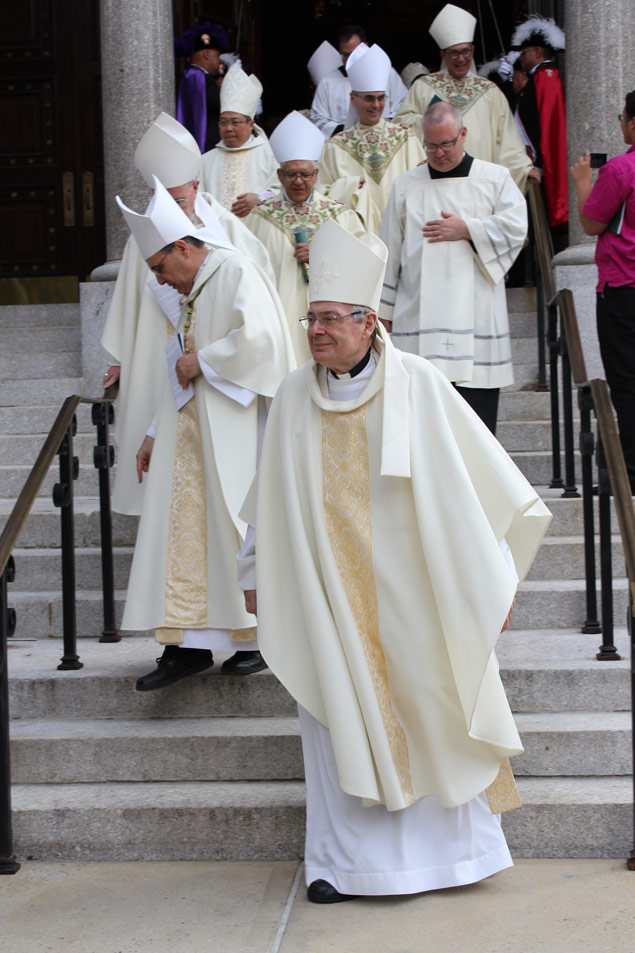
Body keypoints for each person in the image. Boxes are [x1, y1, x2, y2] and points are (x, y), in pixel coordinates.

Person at [238, 218, 551, 903]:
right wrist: (253, 573)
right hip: (327, 599)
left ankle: (458, 859)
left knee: (431, 707)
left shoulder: (419, 383)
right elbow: (269, 492)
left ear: (365, 319)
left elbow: (472, 491)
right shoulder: (292, 394)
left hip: (416, 599)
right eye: (309, 318)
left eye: (328, 319)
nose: (315, 331)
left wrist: (492, 580)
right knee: (336, 722)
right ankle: (344, 866)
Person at [115, 178, 295, 687]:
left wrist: (206, 361)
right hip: (188, 431)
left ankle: (253, 638)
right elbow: (178, 365)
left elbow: (265, 342)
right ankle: (188, 645)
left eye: (160, 268)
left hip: (234, 430)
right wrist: (153, 430)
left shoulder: (235, 268)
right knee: (185, 535)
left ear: (182, 247)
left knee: (232, 531)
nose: (161, 280)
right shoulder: (193, 290)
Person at [101, 112, 274, 518]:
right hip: (156, 354)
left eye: (178, 200)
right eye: (163, 201)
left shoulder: (229, 232)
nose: (171, 211)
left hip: (212, 361)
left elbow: (258, 297)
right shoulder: (142, 237)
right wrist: (121, 358)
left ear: (197, 186)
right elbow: (128, 304)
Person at [379, 102, 527, 434]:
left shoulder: (495, 179)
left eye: (446, 143)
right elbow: (389, 248)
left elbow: (517, 228)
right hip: (417, 316)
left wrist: (468, 229)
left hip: (476, 318)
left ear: (463, 134)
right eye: (431, 145)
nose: (439, 152)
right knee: (422, 427)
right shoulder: (406, 184)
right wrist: (383, 311)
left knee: (476, 431)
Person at [245, 110, 366, 361]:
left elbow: (367, 261)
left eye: (305, 174)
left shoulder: (339, 216)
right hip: (278, 326)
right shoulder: (258, 219)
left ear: (316, 174)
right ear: (279, 176)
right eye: (291, 174)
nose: (299, 181)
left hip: (331, 326)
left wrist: (325, 255)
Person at [396, 4, 534, 193]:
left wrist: (523, 169)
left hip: (479, 185)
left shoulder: (490, 92)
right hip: (435, 182)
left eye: (465, 52)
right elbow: (402, 129)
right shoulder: (423, 88)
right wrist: (431, 123)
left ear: (473, 50)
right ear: (443, 54)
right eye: (454, 53)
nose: (461, 59)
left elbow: (508, 140)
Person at [571, 91, 635, 492]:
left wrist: (582, 183)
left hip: (623, 283)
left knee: (627, 378)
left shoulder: (620, 170)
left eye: (622, 117)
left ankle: (629, 468)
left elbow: (593, 224)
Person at [319, 44, 425, 233]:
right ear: (353, 99)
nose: (376, 105)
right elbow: (322, 197)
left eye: (381, 98)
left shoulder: (406, 138)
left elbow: (424, 185)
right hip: (358, 239)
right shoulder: (336, 146)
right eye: (369, 98)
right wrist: (349, 186)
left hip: (402, 231)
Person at [199, 63, 278, 218]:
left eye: (235, 122)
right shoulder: (205, 161)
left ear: (250, 124)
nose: (228, 128)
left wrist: (259, 198)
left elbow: (285, 191)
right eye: (223, 122)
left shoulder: (270, 155)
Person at [512, 15, 568, 231]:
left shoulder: (547, 77)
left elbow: (550, 124)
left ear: (537, 52)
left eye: (525, 52)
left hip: (544, 162)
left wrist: (543, 160)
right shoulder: (538, 78)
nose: (522, 58)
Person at [309, 24, 407, 138]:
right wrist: (342, 130)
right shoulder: (328, 82)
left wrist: (388, 121)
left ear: (365, 46)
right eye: (346, 55)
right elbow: (317, 119)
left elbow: (404, 106)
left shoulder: (387, 73)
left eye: (354, 53)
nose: (351, 60)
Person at [175, 23, 226, 152]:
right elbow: (221, 104)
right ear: (207, 54)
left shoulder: (193, 76)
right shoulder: (197, 77)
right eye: (217, 56)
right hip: (206, 146)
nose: (219, 61)